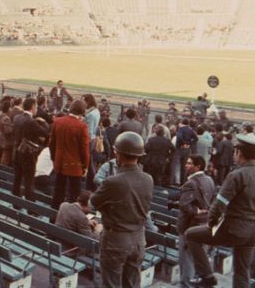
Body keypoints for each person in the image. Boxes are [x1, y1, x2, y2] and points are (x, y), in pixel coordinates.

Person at [185, 133, 255, 288]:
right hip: (252, 232)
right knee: (242, 271)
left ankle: (208, 277)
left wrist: (211, 224)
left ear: (240, 153)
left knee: (191, 235)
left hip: (233, 229)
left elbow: (218, 205)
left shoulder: (237, 174)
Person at [90, 131, 153, 288]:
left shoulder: (113, 181)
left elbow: (93, 203)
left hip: (116, 239)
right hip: (138, 238)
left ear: (118, 153)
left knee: (111, 283)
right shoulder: (148, 179)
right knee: (132, 284)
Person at [168, 155, 215, 288]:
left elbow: (184, 205)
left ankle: (186, 283)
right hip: (203, 224)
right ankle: (194, 280)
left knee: (186, 258)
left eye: (189, 163)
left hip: (189, 226)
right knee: (199, 257)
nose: (186, 165)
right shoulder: (209, 180)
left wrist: (196, 211)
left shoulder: (190, 183)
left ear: (197, 166)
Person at [50, 100, 90, 210]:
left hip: (60, 163)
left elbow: (51, 144)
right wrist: (85, 166)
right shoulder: (82, 126)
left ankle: (53, 218)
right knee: (74, 195)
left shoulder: (57, 121)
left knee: (58, 192)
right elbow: (84, 150)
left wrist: (54, 159)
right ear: (81, 112)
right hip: (75, 165)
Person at [171, 118, 198, 185]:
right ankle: (183, 181)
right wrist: (189, 143)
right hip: (187, 149)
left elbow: (179, 137)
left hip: (179, 148)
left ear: (182, 123)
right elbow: (196, 138)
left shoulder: (181, 129)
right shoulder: (190, 129)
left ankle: (177, 181)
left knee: (177, 165)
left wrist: (184, 143)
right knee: (184, 166)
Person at [0, 100, 14, 166]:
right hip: (5, 140)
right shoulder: (7, 118)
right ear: (8, 108)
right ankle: (2, 167)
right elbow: (8, 131)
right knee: (5, 157)